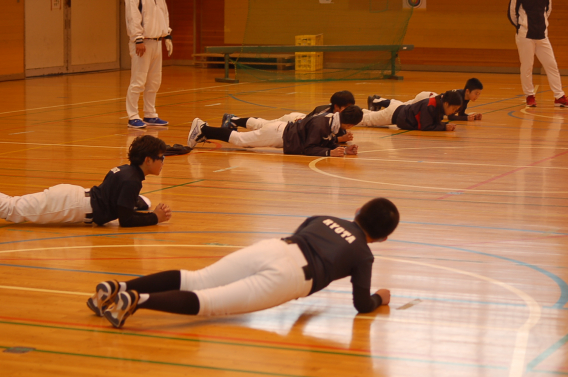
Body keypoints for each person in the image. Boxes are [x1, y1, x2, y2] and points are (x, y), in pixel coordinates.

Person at [86, 197, 399, 328]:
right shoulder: (363, 253)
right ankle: (137, 300)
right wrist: (379, 299)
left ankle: (119, 287)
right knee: (210, 302)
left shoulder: (326, 217)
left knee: (197, 279)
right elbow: (360, 304)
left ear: (358, 211)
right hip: (292, 277)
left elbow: (302, 234)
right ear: (383, 238)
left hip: (274, 248)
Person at [0, 136, 171, 227]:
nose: (163, 161)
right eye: (161, 157)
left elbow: (119, 203)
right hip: (68, 204)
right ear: (148, 160)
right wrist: (155, 217)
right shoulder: (132, 181)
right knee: (12, 208)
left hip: (71, 198)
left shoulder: (128, 172)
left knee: (13, 205)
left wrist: (142, 206)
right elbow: (126, 221)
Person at [187, 105, 364, 157]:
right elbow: (309, 148)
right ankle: (203, 128)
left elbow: (321, 140)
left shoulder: (332, 121)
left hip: (280, 132)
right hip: (278, 134)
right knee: (241, 141)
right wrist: (328, 153)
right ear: (350, 125)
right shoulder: (324, 123)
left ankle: (205, 130)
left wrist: (345, 150)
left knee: (244, 142)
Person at [222, 90, 356, 143]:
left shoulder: (337, 116)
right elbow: (314, 135)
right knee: (262, 125)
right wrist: (339, 139)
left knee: (264, 124)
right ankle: (232, 119)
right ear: (337, 106)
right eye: (346, 107)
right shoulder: (324, 113)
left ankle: (233, 120)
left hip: (298, 124)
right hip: (293, 122)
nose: (348, 110)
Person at [507, 0, 567, 107]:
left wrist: (540, 27)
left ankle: (559, 96)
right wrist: (522, 27)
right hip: (525, 36)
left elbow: (547, 11)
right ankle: (529, 95)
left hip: (542, 36)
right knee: (527, 66)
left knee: (551, 65)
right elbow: (511, 14)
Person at [125, 0, 174, 128]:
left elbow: (164, 14)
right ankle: (133, 116)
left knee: (154, 80)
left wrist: (167, 35)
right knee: (138, 80)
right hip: (143, 42)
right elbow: (132, 16)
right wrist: (137, 38)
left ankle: (150, 114)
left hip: (157, 41)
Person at [368, 78, 484, 121]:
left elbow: (460, 113)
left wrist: (471, 116)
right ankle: (375, 101)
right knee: (402, 107)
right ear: (467, 91)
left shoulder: (465, 98)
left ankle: (378, 100)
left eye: (479, 94)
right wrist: (466, 119)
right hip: (427, 97)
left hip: (430, 98)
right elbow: (452, 117)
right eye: (476, 93)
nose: (477, 97)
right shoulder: (458, 95)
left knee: (402, 106)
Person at [358, 90, 463, 131]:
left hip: (398, 110)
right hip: (393, 114)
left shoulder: (438, 105)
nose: (454, 112)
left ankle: (358, 110)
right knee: (366, 121)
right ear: (446, 103)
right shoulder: (430, 105)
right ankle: (348, 116)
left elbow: (431, 122)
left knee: (370, 116)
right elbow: (425, 126)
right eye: (454, 109)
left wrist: (444, 125)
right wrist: (444, 127)